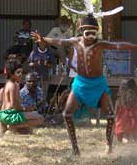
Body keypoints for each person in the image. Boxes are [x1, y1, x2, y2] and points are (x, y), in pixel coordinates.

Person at [31, 14, 137, 155]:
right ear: (81, 31)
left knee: (110, 115)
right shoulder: (75, 42)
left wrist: (135, 46)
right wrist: (43, 39)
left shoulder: (100, 44)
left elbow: (119, 46)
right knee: (67, 114)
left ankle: (109, 145)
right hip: (80, 83)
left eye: (94, 33)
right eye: (88, 33)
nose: (91, 37)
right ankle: (75, 149)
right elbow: (59, 41)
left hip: (98, 84)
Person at [0, 61, 44, 134]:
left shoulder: (9, 84)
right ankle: (13, 126)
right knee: (40, 118)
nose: (21, 75)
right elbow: (14, 106)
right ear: (11, 74)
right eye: (18, 73)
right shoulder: (13, 85)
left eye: (21, 72)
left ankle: (14, 128)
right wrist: (27, 109)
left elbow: (0, 105)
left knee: (28, 131)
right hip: (9, 115)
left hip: (5, 114)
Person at [114, 78, 137, 143]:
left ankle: (129, 136)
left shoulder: (119, 100)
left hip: (129, 127)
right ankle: (126, 136)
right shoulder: (119, 101)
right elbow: (115, 113)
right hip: (123, 128)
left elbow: (115, 113)